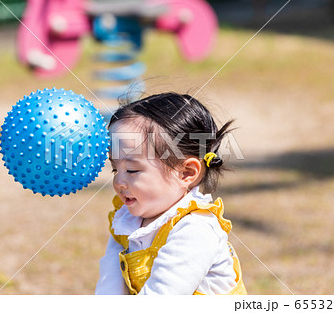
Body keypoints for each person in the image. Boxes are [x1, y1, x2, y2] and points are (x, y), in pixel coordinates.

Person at [95, 92, 246, 295]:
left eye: (132, 170)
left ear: (186, 173)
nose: (119, 182)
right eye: (115, 169)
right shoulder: (125, 221)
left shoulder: (195, 231)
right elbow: (109, 287)